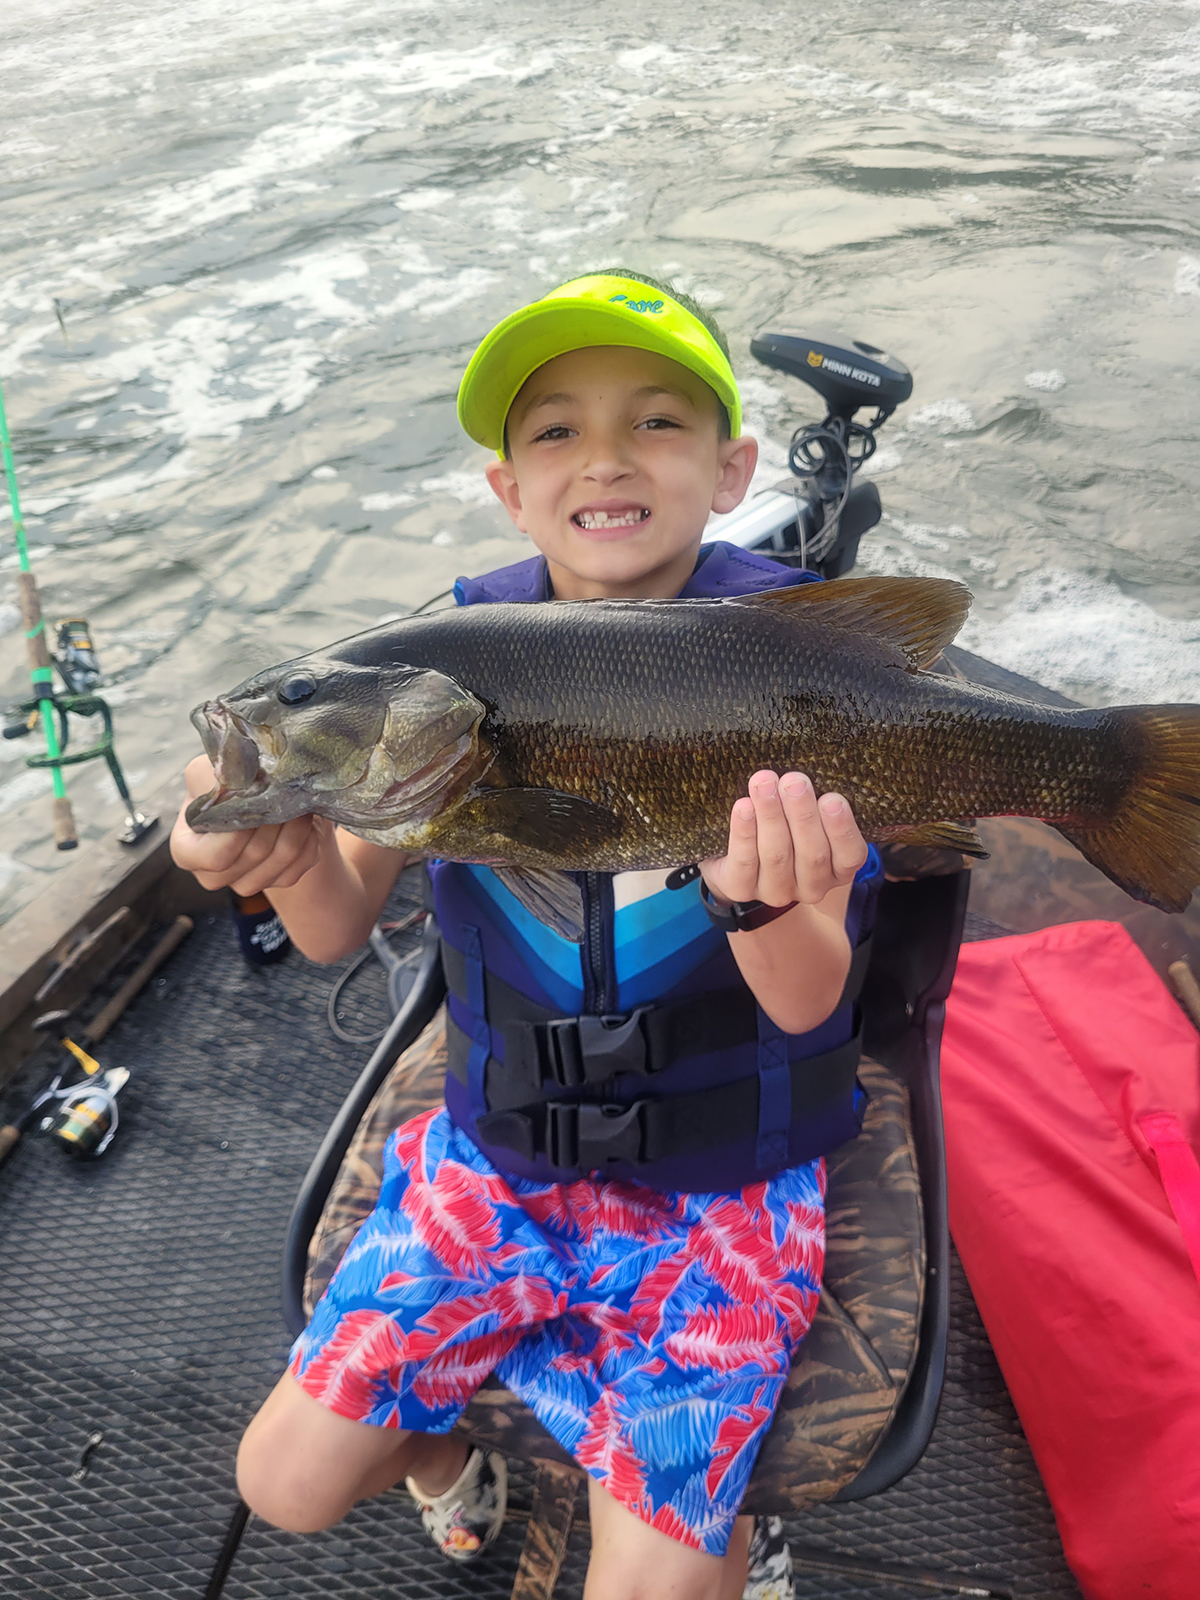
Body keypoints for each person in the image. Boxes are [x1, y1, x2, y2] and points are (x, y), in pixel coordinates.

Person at [170, 270, 881, 1600]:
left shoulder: (794, 665)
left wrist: (763, 902)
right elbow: (331, 931)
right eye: (554, 431)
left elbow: (807, 1007)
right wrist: (282, 845)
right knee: (282, 1482)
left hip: (726, 1178)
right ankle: (459, 1453)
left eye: (655, 424)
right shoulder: (430, 686)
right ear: (507, 488)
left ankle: (715, 1510)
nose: (604, 460)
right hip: (501, 1157)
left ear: (731, 472)